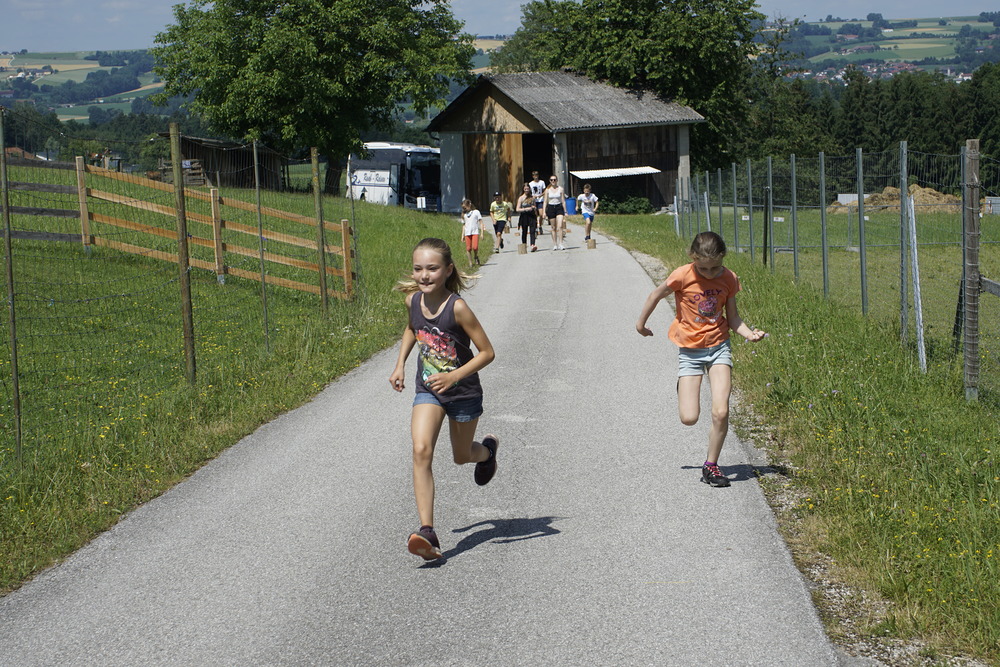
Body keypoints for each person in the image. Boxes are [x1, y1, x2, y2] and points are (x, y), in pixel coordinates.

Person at [390, 237, 500, 560]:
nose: (424, 275)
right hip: (428, 390)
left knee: (462, 456)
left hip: (463, 392)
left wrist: (453, 376)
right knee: (421, 450)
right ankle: (428, 531)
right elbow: (412, 328)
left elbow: (487, 352)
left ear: (448, 270)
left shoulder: (457, 308)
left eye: (432, 268)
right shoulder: (413, 301)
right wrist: (400, 364)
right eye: (418, 268)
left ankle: (487, 452)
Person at [634, 231, 766, 488]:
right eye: (702, 268)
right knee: (689, 418)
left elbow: (733, 317)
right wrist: (641, 325)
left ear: (723, 257)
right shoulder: (682, 275)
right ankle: (683, 386)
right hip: (690, 351)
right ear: (692, 257)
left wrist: (750, 334)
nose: (708, 274)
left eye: (714, 267)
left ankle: (711, 465)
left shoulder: (729, 278)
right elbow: (655, 296)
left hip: (719, 347)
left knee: (721, 410)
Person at [544, 174, 568, 250]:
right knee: (553, 227)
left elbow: (563, 201)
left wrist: (565, 211)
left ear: (557, 180)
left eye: (554, 180)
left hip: (559, 207)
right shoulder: (547, 190)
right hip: (551, 208)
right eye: (551, 180)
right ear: (550, 181)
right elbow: (545, 202)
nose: (553, 181)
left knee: (560, 226)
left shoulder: (560, 189)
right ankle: (555, 244)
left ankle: (561, 243)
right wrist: (544, 212)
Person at [460, 198, 485, 266]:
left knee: (475, 247)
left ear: (469, 205)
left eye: (465, 207)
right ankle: (470, 263)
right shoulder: (464, 215)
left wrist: (482, 233)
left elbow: (481, 223)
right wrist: (462, 236)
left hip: (475, 232)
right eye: (463, 208)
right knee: (468, 248)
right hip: (467, 233)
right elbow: (464, 225)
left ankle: (476, 256)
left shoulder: (476, 212)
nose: (464, 209)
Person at [515, 183, 538, 251]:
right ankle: (524, 245)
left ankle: (532, 245)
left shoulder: (532, 198)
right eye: (525, 189)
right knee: (524, 231)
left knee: (532, 231)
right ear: (523, 189)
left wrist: (534, 208)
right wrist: (525, 209)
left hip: (532, 216)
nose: (526, 190)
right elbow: (517, 209)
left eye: (528, 189)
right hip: (524, 216)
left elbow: (535, 207)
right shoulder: (521, 198)